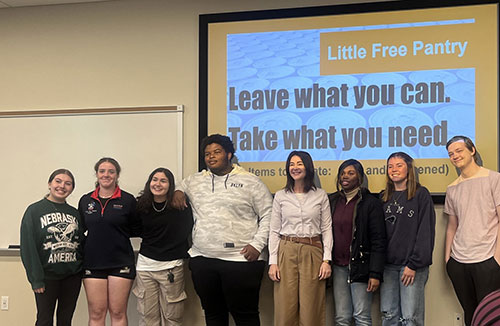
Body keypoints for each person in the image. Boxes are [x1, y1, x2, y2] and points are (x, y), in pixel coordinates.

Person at [172, 134, 273, 326]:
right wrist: (178, 191)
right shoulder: (195, 181)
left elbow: (269, 214)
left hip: (242, 260)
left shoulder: (251, 181)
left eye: (217, 152)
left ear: (229, 154)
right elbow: (177, 185)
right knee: (213, 315)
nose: (211, 157)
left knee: (245, 316)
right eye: (207, 153)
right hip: (204, 260)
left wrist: (257, 244)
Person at [268, 151, 332, 326]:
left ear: (308, 167)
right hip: (286, 250)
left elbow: (327, 229)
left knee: (311, 307)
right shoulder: (281, 196)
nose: (295, 168)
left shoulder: (320, 195)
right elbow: (274, 230)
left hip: (313, 250)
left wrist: (327, 260)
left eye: (299, 164)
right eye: (291, 164)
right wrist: (273, 262)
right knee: (285, 307)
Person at [444, 136, 500, 326]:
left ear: (472, 150)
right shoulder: (452, 188)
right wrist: (447, 260)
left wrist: (497, 259)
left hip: (487, 260)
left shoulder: (494, 179)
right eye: (451, 154)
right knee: (470, 314)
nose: (455, 156)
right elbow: (452, 226)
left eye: (459, 151)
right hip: (459, 262)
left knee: (490, 316)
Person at [78, 157, 140, 326]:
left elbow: (136, 228)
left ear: (117, 175)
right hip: (93, 263)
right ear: (97, 174)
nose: (106, 175)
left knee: (118, 312)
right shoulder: (85, 201)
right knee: (97, 313)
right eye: (102, 171)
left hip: (121, 262)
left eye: (111, 171)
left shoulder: (128, 200)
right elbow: (80, 229)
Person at [20, 169, 84, 326]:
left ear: (72, 189)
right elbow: (28, 246)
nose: (62, 186)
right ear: (49, 184)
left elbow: (81, 242)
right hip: (46, 277)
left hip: (72, 276)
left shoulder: (75, 213)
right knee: (44, 320)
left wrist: (81, 269)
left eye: (68, 183)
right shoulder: (34, 211)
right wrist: (36, 279)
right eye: (58, 181)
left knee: (65, 320)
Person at [380, 152, 436, 326]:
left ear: (409, 169)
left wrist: (413, 264)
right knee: (388, 316)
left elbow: (425, 232)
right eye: (390, 166)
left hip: (411, 267)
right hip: (387, 267)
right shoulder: (383, 197)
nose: (394, 170)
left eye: (399, 165)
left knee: (410, 318)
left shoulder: (421, 195)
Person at [132, 167, 193, 326]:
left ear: (170, 185)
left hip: (171, 267)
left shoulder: (180, 205)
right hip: (145, 267)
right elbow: (136, 229)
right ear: (149, 183)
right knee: (147, 317)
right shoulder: (141, 205)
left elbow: (185, 230)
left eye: (163, 181)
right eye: (155, 180)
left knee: (172, 317)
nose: (158, 184)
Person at [328, 159, 386, 326]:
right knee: (341, 318)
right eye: (343, 173)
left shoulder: (370, 203)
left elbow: (378, 240)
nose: (345, 177)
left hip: (361, 267)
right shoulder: (333, 201)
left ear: (360, 177)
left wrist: (375, 273)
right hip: (339, 267)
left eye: (351, 173)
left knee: (361, 317)